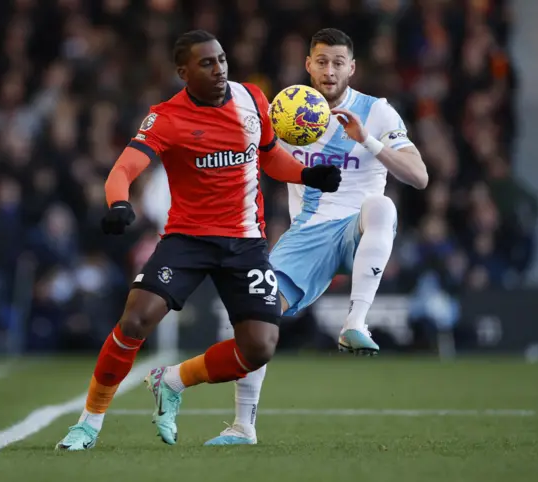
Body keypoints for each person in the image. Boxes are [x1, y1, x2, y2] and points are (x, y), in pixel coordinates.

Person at [56, 30, 341, 451]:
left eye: (222, 58)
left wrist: (306, 173)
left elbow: (268, 156)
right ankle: (89, 422)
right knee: (135, 320)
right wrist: (118, 203)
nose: (219, 68)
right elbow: (123, 169)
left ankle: (171, 381)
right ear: (183, 71)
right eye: (206, 63)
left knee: (260, 346)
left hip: (245, 242)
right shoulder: (166, 117)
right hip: (187, 238)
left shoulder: (253, 101)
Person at [203, 28, 428, 446]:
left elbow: (419, 176)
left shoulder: (376, 111)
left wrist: (369, 141)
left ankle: (355, 322)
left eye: (338, 62)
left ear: (352, 67)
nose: (329, 71)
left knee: (383, 206)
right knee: (258, 320)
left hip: (358, 229)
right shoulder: (285, 110)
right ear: (308, 64)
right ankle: (241, 424)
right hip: (306, 235)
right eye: (322, 61)